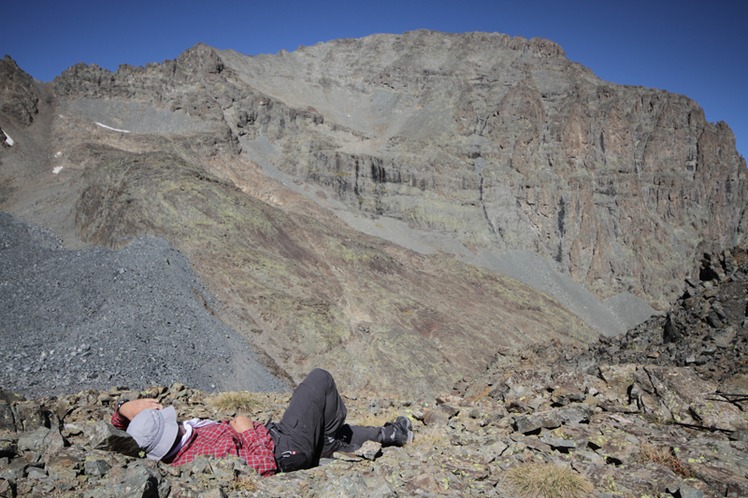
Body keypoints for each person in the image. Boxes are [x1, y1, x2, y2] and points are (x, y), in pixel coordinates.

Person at [111, 368, 413, 476]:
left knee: (322, 432)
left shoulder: (155, 446)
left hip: (279, 436)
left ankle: (390, 435)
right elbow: (261, 467)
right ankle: (329, 441)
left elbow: (123, 437)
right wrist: (246, 430)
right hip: (283, 449)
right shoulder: (195, 456)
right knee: (319, 380)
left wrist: (124, 409)